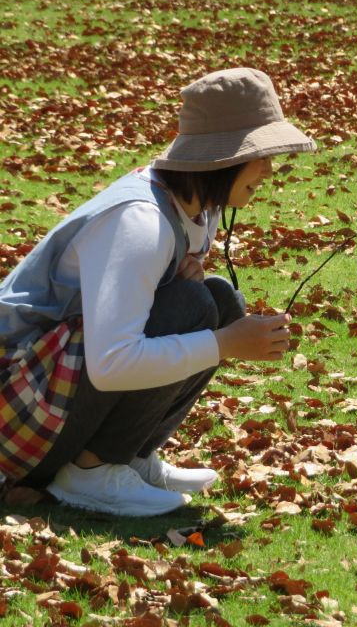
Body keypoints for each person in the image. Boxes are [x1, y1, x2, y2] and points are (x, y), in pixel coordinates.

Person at [0, 68, 315, 516]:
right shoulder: (141, 221)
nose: (269, 168)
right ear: (223, 158)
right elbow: (111, 364)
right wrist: (224, 344)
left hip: (43, 397)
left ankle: (127, 459)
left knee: (220, 301)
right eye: (260, 154)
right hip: (12, 414)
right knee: (194, 307)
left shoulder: (191, 205)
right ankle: (91, 475)